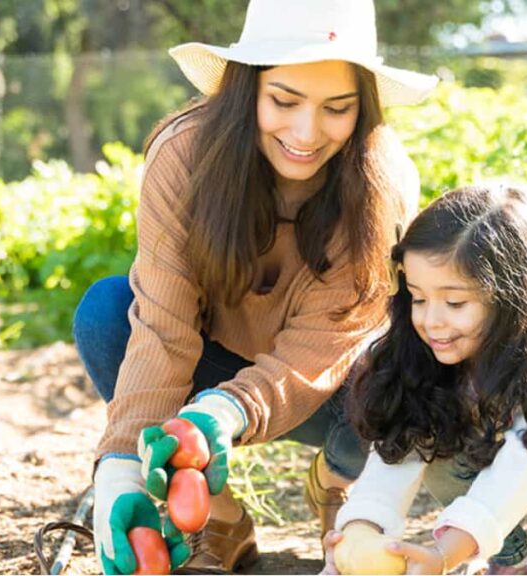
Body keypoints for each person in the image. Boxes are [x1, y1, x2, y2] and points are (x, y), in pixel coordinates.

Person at [71, 0, 439, 573]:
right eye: (284, 101)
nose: (306, 132)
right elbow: (163, 327)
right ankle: (217, 516)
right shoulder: (184, 157)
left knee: (408, 369)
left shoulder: (379, 184)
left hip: (328, 388)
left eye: (336, 108)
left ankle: (342, 485)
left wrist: (224, 412)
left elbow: (323, 345)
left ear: (362, 108)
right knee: (105, 313)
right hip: (209, 363)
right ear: (248, 89)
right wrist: (121, 467)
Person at [321, 185, 527, 575]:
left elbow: (523, 464)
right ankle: (516, 561)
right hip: (499, 450)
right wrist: (361, 529)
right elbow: (396, 457)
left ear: (511, 298)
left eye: (454, 303)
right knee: (440, 454)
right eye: (418, 298)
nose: (431, 321)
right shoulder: (423, 357)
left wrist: (446, 553)